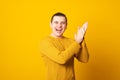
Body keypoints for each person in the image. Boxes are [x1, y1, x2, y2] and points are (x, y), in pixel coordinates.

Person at [40, 12, 89, 80]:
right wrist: (77, 41)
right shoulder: (45, 42)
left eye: (62, 23)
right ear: (50, 24)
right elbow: (61, 59)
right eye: (56, 22)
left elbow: (84, 59)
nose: (59, 25)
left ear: (66, 26)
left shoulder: (71, 42)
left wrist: (81, 39)